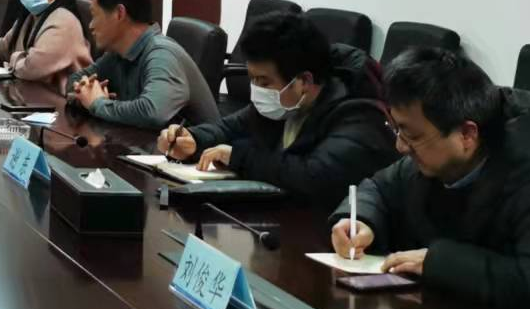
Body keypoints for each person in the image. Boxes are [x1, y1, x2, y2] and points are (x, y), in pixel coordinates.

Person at [329, 48, 530, 309]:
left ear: (467, 134)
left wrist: (441, 263)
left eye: (411, 135)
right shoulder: (431, 161)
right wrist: (361, 220)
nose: (400, 147)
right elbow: (378, 188)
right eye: (396, 130)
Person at [157, 11, 396, 205]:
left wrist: (238, 156)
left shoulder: (359, 115)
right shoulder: (283, 104)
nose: (256, 89)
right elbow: (230, 127)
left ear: (304, 81)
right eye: (252, 79)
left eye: (264, 82)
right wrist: (194, 139)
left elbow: (315, 177)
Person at [63, 0, 218, 127]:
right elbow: (74, 80)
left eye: (95, 15)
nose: (91, 25)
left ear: (119, 13)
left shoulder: (161, 54)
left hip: (196, 142)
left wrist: (98, 104)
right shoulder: (117, 54)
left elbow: (153, 112)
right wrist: (85, 93)